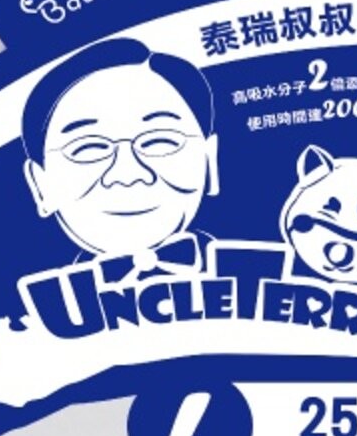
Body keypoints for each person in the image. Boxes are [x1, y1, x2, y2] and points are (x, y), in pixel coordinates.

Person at [21, 38, 219, 275]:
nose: (128, 174)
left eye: (160, 142)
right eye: (88, 148)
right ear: (40, 185)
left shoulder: (250, 270)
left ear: (209, 161)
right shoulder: (40, 296)